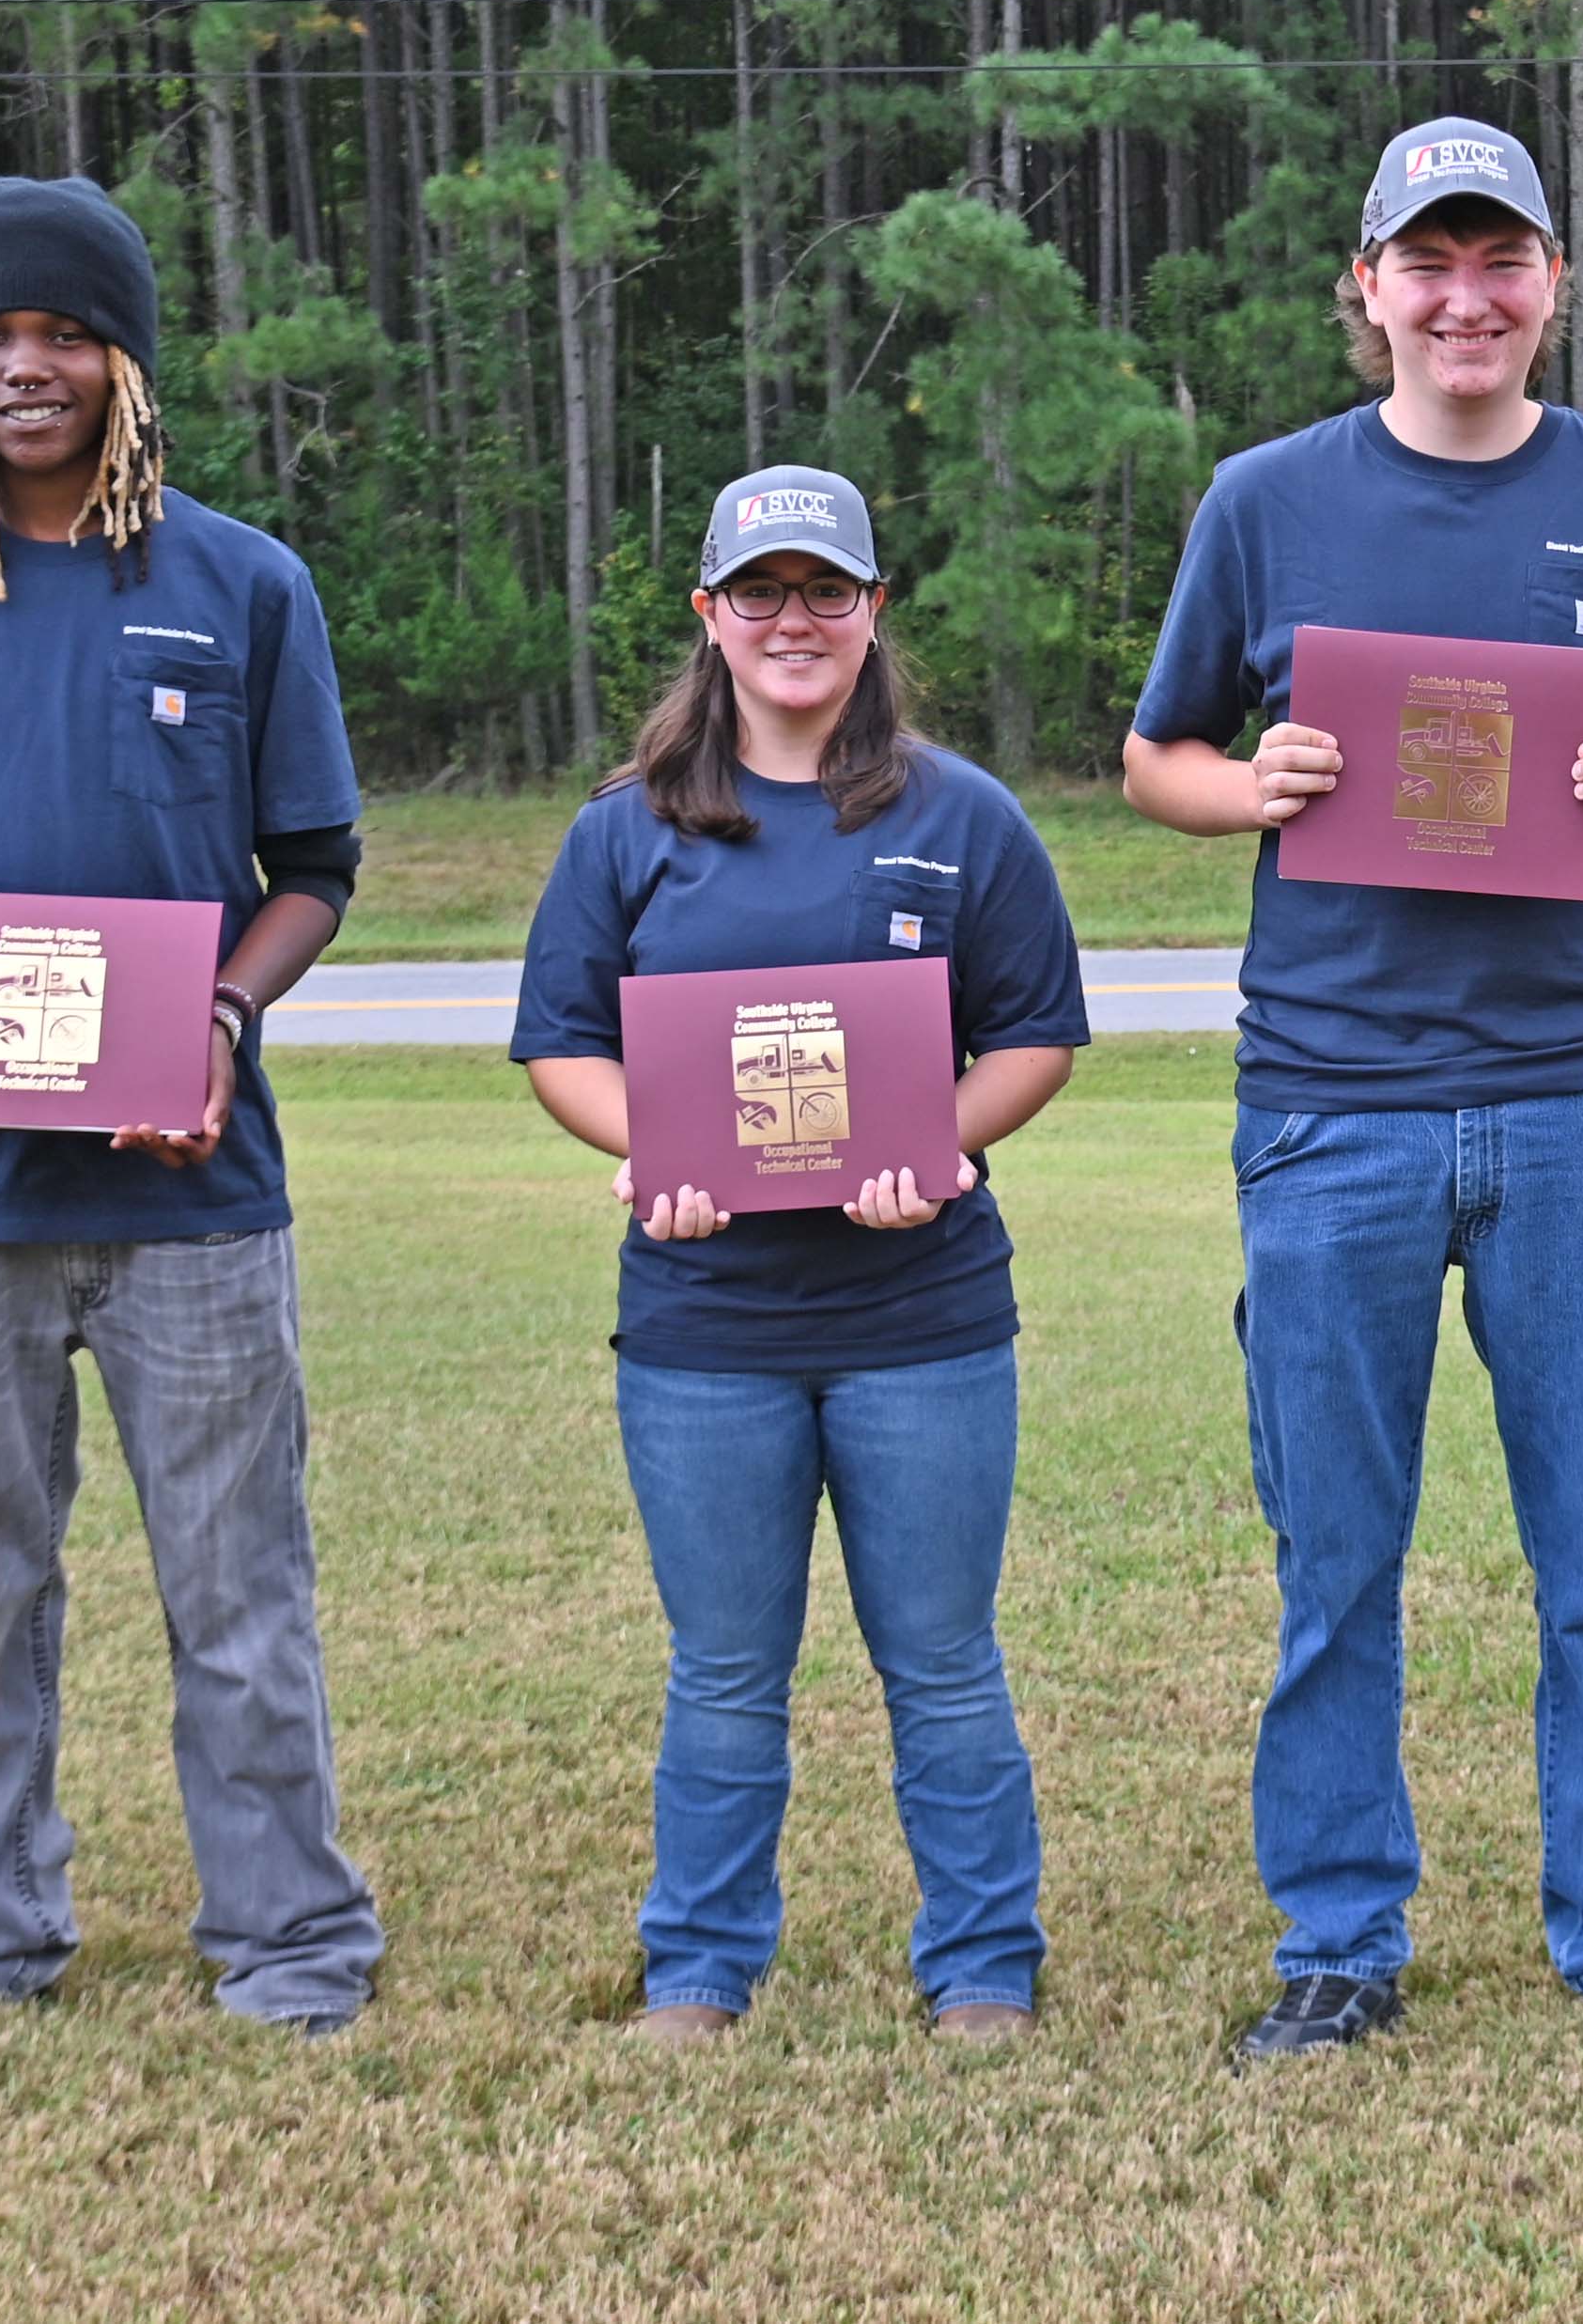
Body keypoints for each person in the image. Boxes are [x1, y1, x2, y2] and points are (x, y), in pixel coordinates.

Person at [1119, 117, 1583, 2067]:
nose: (1466, 298)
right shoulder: (1264, 499)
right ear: (1370, 285)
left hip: (1581, 1099)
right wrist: (1266, 790)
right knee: (1337, 1558)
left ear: (1555, 285)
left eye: (1503, 262)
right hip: (1334, 1102)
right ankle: (1337, 1936)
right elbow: (1156, 755)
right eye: (1431, 261)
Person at [0, 176, 384, 2035]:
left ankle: (288, 1939)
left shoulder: (241, 585)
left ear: (124, 360)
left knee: (239, 1597)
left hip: (192, 1195)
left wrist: (220, 1006)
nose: (29, 367)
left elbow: (312, 861)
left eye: (65, 333)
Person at [509, 468, 1091, 2044]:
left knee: (945, 1664)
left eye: (825, 591)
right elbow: (562, 1042)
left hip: (924, 1316)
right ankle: (701, 1967)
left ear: (874, 611)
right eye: (758, 593)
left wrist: (949, 1143)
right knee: (722, 1674)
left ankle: (981, 1967)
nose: (793, 622)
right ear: (707, 618)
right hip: (706, 1323)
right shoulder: (622, 837)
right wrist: (649, 1153)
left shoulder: (962, 818)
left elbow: (1038, 1030)